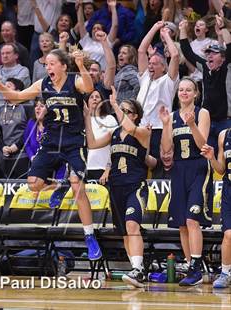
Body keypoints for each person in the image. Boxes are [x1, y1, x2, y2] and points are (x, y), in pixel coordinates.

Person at [0, 48, 102, 261]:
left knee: (79, 188)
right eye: (46, 64)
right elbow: (16, 97)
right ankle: (60, 185)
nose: (48, 67)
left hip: (73, 141)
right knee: (33, 184)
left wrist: (80, 64)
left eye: (52, 64)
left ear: (63, 66)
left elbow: (89, 87)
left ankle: (89, 236)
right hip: (51, 141)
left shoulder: (75, 80)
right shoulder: (43, 84)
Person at [84, 86, 151, 288]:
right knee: (124, 232)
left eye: (127, 110)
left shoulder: (142, 132)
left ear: (136, 115)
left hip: (135, 186)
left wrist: (114, 104)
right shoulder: (113, 134)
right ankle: (135, 270)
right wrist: (87, 117)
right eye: (121, 110)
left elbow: (130, 128)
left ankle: (139, 269)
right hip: (116, 186)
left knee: (132, 225)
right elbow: (92, 143)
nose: (122, 113)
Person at [159, 77, 212, 286]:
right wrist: (165, 125)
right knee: (182, 223)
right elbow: (165, 149)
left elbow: (203, 144)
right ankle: (191, 265)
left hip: (198, 168)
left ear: (195, 93)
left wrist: (191, 125)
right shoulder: (172, 116)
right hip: (178, 169)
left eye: (188, 90)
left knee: (192, 219)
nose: (184, 93)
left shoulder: (202, 113)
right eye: (181, 90)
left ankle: (196, 267)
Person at [179, 16, 231, 154]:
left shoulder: (227, 67)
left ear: (223, 57)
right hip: (206, 120)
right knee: (206, 154)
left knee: (225, 154)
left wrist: (222, 28)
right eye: (207, 53)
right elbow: (188, 53)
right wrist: (182, 30)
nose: (209, 56)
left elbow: (230, 47)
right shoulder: (205, 67)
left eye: (214, 53)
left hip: (226, 120)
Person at [137, 21, 180, 177]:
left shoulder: (168, 82)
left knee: (157, 167)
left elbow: (175, 55)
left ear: (163, 67)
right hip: (141, 128)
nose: (150, 66)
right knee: (138, 164)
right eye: (149, 63)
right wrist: (154, 27)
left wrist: (166, 35)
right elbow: (141, 50)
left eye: (155, 63)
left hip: (158, 129)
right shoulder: (145, 79)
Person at [201, 130, 231, 288]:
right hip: (228, 190)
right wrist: (212, 157)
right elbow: (220, 169)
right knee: (228, 234)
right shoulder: (224, 135)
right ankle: (225, 273)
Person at [0, 78, 30, 179]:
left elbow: (31, 131)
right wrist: (2, 147)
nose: (3, 89)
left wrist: (17, 145)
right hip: (6, 157)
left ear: (17, 92)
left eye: (8, 87)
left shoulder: (27, 107)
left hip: (24, 155)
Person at [23, 97, 66, 180]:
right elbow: (26, 142)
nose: (38, 108)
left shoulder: (55, 125)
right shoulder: (31, 123)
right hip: (36, 165)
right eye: (36, 106)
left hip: (54, 166)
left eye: (42, 106)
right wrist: (31, 156)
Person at [84, 90, 117, 183]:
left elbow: (114, 146)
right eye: (91, 97)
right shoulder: (81, 121)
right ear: (86, 102)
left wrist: (108, 170)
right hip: (83, 168)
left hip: (102, 168)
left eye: (97, 96)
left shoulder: (109, 119)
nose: (94, 98)